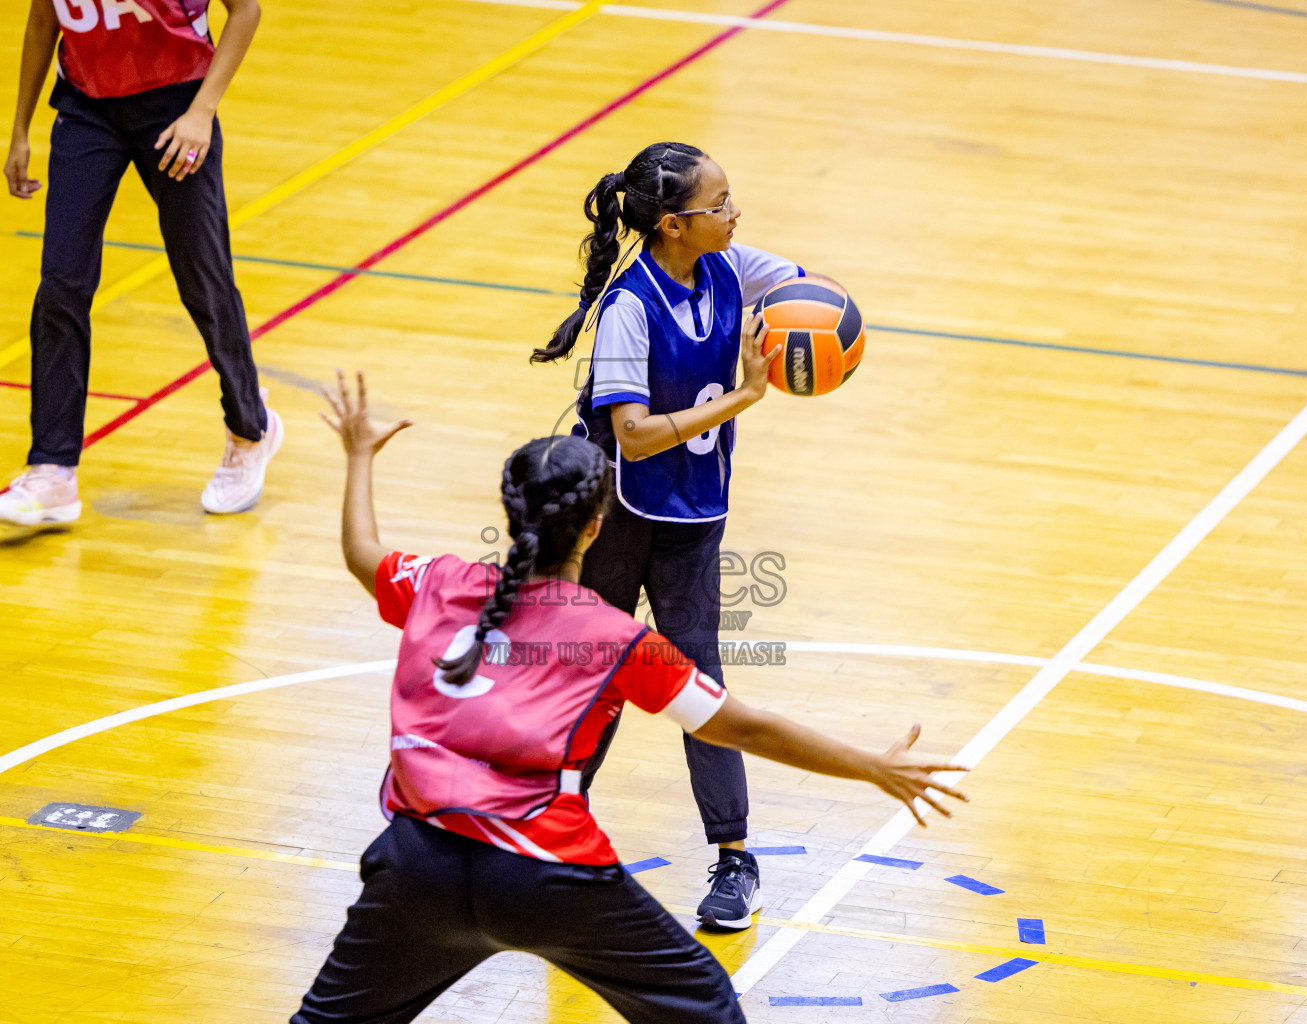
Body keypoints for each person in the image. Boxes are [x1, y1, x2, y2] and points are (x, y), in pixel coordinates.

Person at [290, 370, 968, 1024]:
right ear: (595, 527)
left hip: (417, 865)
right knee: (704, 1005)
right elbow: (746, 729)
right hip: (545, 873)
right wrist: (872, 767)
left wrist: (359, 456)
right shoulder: (613, 638)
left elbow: (361, 552)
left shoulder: (436, 583)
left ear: (509, 511)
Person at [533, 141, 804, 928]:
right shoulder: (628, 307)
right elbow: (639, 435)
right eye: (719, 206)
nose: (734, 214)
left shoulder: (727, 264)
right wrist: (744, 397)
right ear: (674, 225)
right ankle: (556, 834)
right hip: (617, 518)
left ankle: (735, 861)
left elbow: (804, 285)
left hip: (695, 518)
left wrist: (818, 327)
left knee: (702, 687)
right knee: (594, 676)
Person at [0, 0, 281, 527]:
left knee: (203, 278)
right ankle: (53, 470)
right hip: (86, 108)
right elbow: (41, 19)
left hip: (175, 108)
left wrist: (202, 111)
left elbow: (246, 10)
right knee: (61, 283)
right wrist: (20, 131)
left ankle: (249, 429)